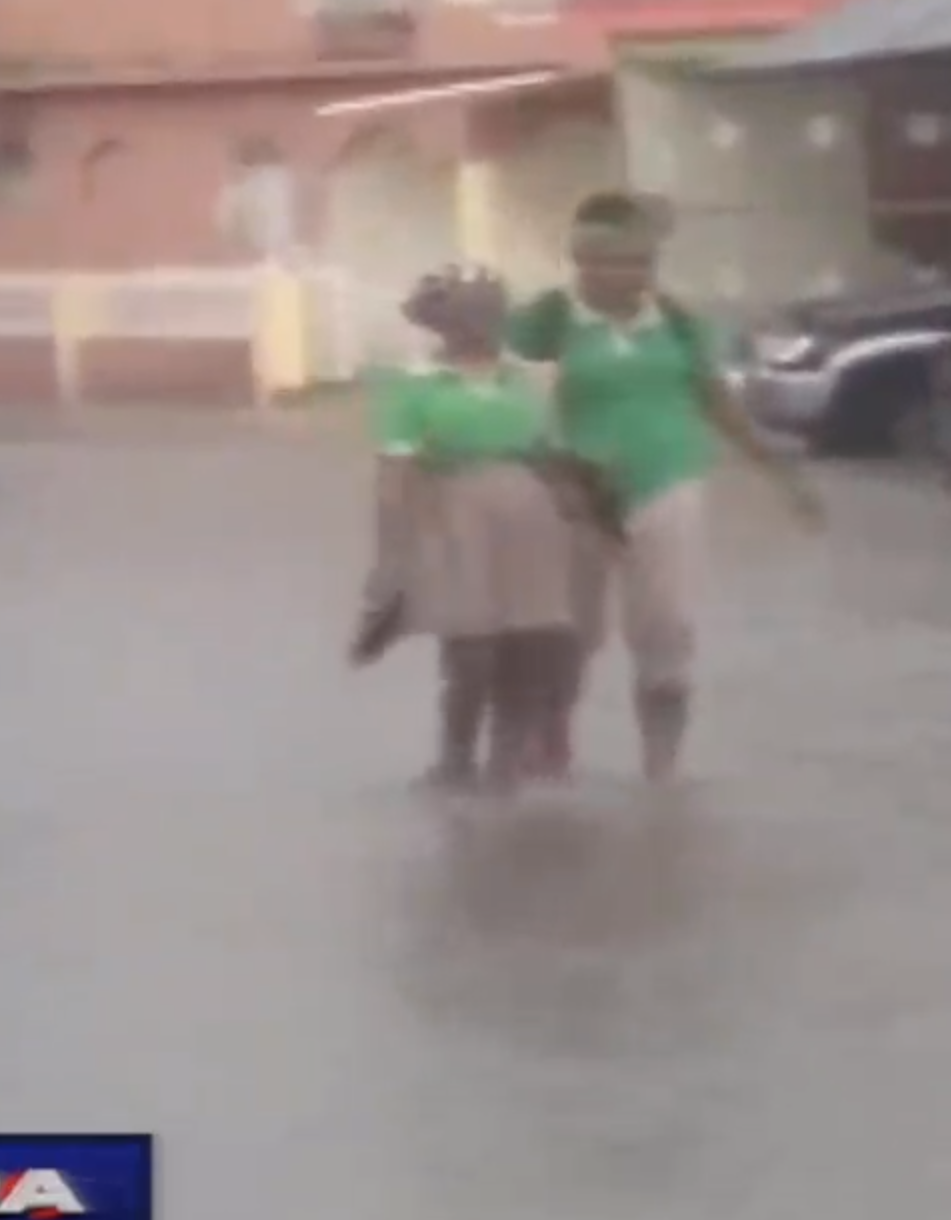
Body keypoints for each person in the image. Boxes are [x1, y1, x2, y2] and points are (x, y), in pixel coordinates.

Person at [507, 190, 824, 783]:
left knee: (667, 622)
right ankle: (552, 734)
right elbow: (497, 376)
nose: (624, 276)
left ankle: (661, 768)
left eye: (638, 264)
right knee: (573, 627)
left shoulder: (678, 323)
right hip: (579, 490)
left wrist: (781, 475)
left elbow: (716, 402)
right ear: (580, 263)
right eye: (605, 263)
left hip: (668, 476)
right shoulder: (553, 317)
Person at [350, 265, 579, 796]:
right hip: (449, 513)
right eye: (464, 313)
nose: (477, 324)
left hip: (530, 517)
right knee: (471, 648)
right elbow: (394, 475)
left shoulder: (526, 381)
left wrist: (589, 522)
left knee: (529, 645)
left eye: (487, 312)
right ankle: (454, 761)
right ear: (439, 322)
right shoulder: (415, 387)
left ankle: (505, 766)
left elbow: (555, 458)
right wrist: (390, 558)